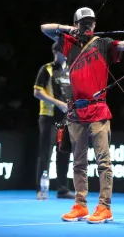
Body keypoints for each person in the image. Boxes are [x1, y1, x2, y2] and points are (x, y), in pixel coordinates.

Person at [40, 7, 124, 224]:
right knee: (79, 163)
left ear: (95, 24)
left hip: (97, 109)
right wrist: (68, 30)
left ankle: (104, 206)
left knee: (103, 160)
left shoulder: (104, 43)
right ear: (75, 24)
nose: (88, 26)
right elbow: (44, 28)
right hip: (75, 112)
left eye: (90, 22)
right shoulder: (68, 43)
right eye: (83, 23)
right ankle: (80, 205)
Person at [33, 42, 75, 200]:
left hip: (64, 118)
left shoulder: (69, 70)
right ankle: (40, 189)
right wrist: (57, 103)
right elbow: (37, 92)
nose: (65, 55)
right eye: (63, 52)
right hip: (48, 117)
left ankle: (63, 189)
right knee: (45, 153)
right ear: (55, 52)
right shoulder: (46, 69)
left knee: (63, 152)